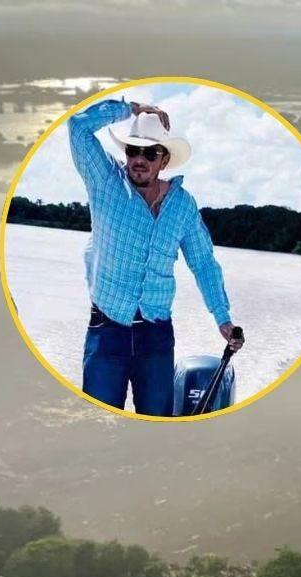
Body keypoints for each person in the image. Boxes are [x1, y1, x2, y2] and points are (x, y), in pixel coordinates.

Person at [67, 96, 243, 416]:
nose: (139, 159)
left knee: (156, 428)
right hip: (107, 333)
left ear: (164, 160)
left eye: (149, 152)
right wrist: (132, 109)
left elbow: (203, 262)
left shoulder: (183, 205)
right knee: (98, 425)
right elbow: (78, 126)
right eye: (133, 150)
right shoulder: (104, 181)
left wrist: (223, 318)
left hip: (156, 337)